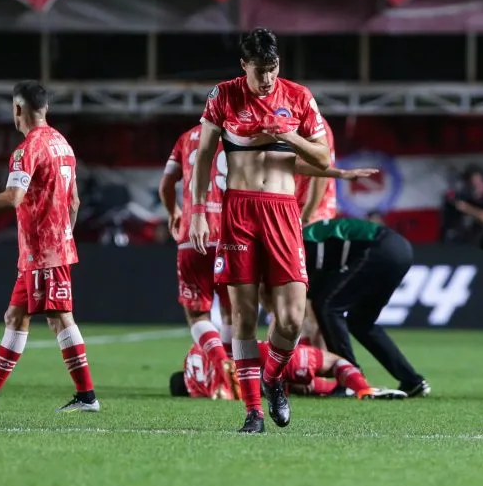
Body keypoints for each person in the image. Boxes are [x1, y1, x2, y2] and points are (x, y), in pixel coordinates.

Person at [189, 27, 332, 433]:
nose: (267, 78)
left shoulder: (298, 97)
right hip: (239, 211)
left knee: (291, 318)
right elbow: (204, 157)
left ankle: (272, 378)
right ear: (244, 65)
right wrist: (198, 211)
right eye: (259, 70)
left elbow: (323, 158)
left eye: (273, 68)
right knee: (244, 316)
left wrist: (290, 136)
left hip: (283, 212)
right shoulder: (224, 95)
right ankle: (253, 411)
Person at [0, 80, 100, 413]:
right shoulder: (63, 144)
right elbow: (74, 202)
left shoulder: (27, 149)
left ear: (17, 108)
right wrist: (64, 237)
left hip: (43, 250)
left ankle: (87, 396)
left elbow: (13, 197)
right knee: (15, 316)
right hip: (47, 249)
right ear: (45, 108)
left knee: (60, 318)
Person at [304, 216, 430, 398]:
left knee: (327, 306)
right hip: (399, 249)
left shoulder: (303, 243)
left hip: (381, 247)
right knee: (360, 322)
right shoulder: (307, 239)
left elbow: (311, 291)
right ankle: (412, 380)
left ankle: (349, 379)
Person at [158, 124, 233, 388]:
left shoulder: (186, 137)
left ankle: (221, 368)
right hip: (231, 235)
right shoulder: (241, 133)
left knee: (198, 315)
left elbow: (166, 185)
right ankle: (232, 372)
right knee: (232, 312)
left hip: (193, 233)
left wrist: (173, 212)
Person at [169, 339, 405, 400]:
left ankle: (345, 390)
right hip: (255, 354)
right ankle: (362, 389)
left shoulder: (194, 388)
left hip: (247, 384)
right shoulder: (192, 353)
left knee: (292, 386)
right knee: (332, 362)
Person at [293, 113, 337, 227]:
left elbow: (322, 171)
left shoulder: (316, 124)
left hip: (315, 211)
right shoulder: (281, 119)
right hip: (290, 206)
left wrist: (307, 216)